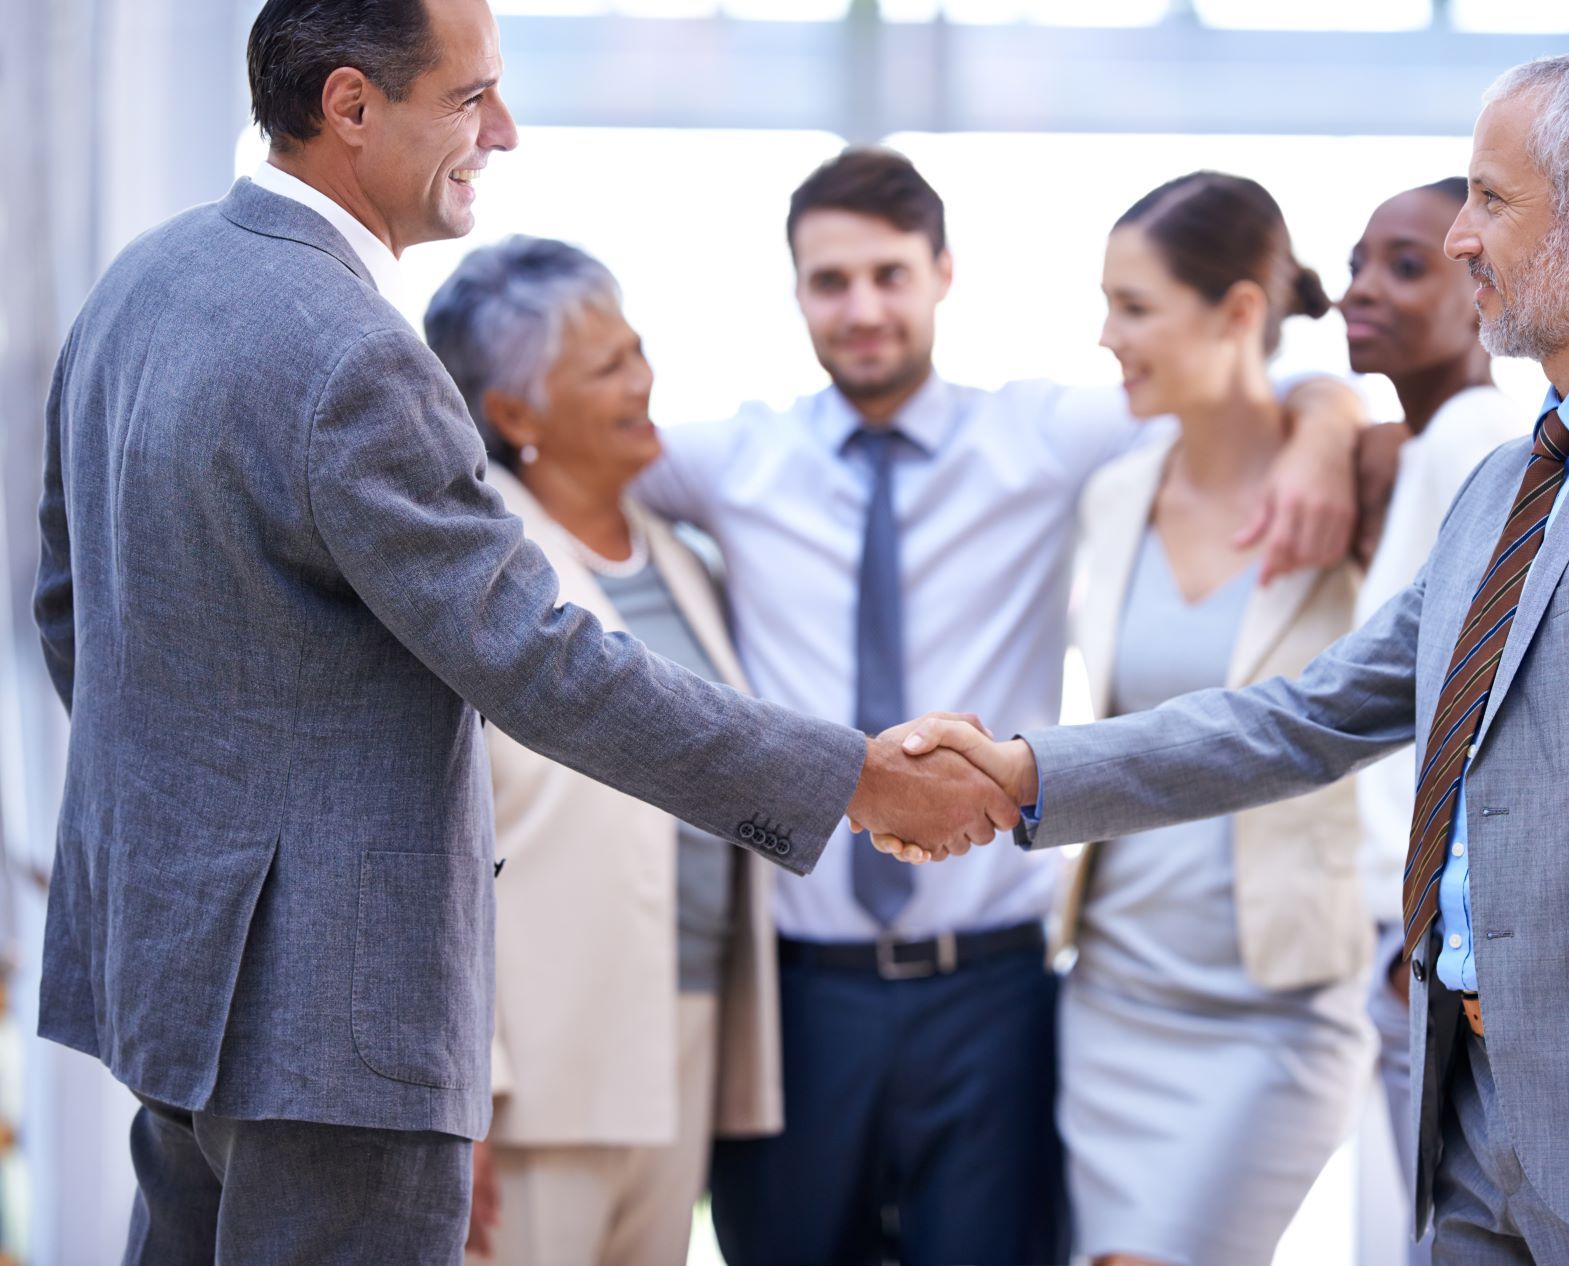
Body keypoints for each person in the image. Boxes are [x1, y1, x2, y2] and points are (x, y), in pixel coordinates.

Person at [31, 3, 1009, 1261]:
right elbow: (543, 662)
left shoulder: (142, 282)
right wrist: (855, 779)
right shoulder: (357, 356)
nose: (503, 130)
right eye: (470, 97)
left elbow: (79, 612)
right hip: (337, 1017)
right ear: (349, 107)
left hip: (180, 981)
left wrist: (211, 837)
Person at [883, 48, 1569, 1265]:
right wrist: (1025, 770)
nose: (1464, 237)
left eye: (1490, 199)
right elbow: (1306, 716)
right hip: (1465, 1110)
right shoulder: (1500, 488)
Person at [632, 147, 1368, 1266]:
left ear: (942, 273)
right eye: (830, 282)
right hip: (796, 998)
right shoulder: (737, 459)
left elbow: (1237, 377)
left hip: (997, 990)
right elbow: (553, 450)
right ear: (795, 294)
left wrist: (1325, 427)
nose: (863, 308)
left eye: (889, 274)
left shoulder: (1043, 440)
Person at [420, 236, 783, 1266]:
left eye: (638, 351)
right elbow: (426, 841)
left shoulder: (681, 559)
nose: (644, 383)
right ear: (518, 418)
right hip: (535, 1064)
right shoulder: (474, 574)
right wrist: (468, 1088)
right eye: (605, 368)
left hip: (684, 1027)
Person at [1053, 171, 1376, 1266]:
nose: (1107, 337)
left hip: (1275, 1009)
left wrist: (1332, 422)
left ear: (1242, 312)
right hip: (1113, 993)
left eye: (1134, 307)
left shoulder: (1354, 489)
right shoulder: (1113, 496)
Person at [1337, 176, 1528, 1263]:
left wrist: (1448, 939)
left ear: (1480, 292)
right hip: (1407, 946)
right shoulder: (1423, 450)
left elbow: (1493, 719)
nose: (1364, 289)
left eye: (1406, 266)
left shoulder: (1479, 445)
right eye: (1358, 262)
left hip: (1443, 959)